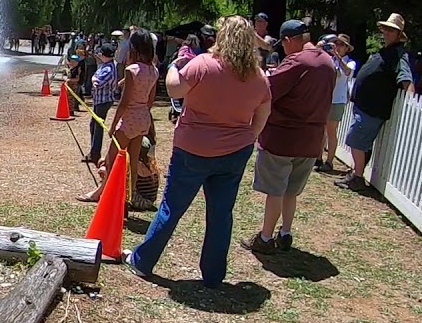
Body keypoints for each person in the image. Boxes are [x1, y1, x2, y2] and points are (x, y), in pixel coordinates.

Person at [126, 15, 271, 287]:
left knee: (172, 207)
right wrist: (248, 137)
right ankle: (213, 275)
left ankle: (143, 261)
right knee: (221, 213)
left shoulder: (203, 64)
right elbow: (263, 113)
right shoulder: (259, 76)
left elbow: (174, 89)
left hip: (193, 149)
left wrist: (175, 65)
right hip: (234, 152)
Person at [240, 20, 336, 253]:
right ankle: (285, 233)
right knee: (291, 191)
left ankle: (265, 238)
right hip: (311, 139)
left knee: (275, 190)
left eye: (283, 45)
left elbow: (268, 90)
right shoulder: (327, 62)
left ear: (289, 40)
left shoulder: (297, 61)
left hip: (283, 137)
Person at [78, 29, 158, 202]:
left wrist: (114, 125)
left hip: (129, 118)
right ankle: (128, 197)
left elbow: (124, 101)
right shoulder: (153, 70)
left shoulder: (132, 70)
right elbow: (150, 100)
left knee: (111, 158)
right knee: (133, 160)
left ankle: (99, 193)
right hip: (143, 117)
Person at [338, 13, 415, 190]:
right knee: (360, 142)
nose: (386, 33)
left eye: (391, 30)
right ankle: (355, 173)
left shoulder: (398, 54)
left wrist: (410, 103)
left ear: (399, 34)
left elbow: (406, 78)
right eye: (386, 29)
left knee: (356, 140)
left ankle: (358, 177)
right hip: (365, 105)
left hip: (373, 109)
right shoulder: (386, 51)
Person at [316, 34, 355, 172]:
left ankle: (329, 161)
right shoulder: (329, 60)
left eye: (341, 45)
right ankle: (318, 158)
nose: (338, 47)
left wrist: (337, 56)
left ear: (347, 48)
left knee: (331, 131)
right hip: (325, 99)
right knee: (321, 130)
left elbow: (347, 72)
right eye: (336, 43)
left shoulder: (350, 62)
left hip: (337, 101)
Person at [85, 43, 119, 164]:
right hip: (99, 100)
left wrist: (93, 78)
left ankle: (95, 153)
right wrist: (94, 77)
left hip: (103, 101)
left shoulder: (108, 68)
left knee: (98, 127)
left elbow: (98, 83)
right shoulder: (106, 66)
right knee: (93, 125)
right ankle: (93, 151)